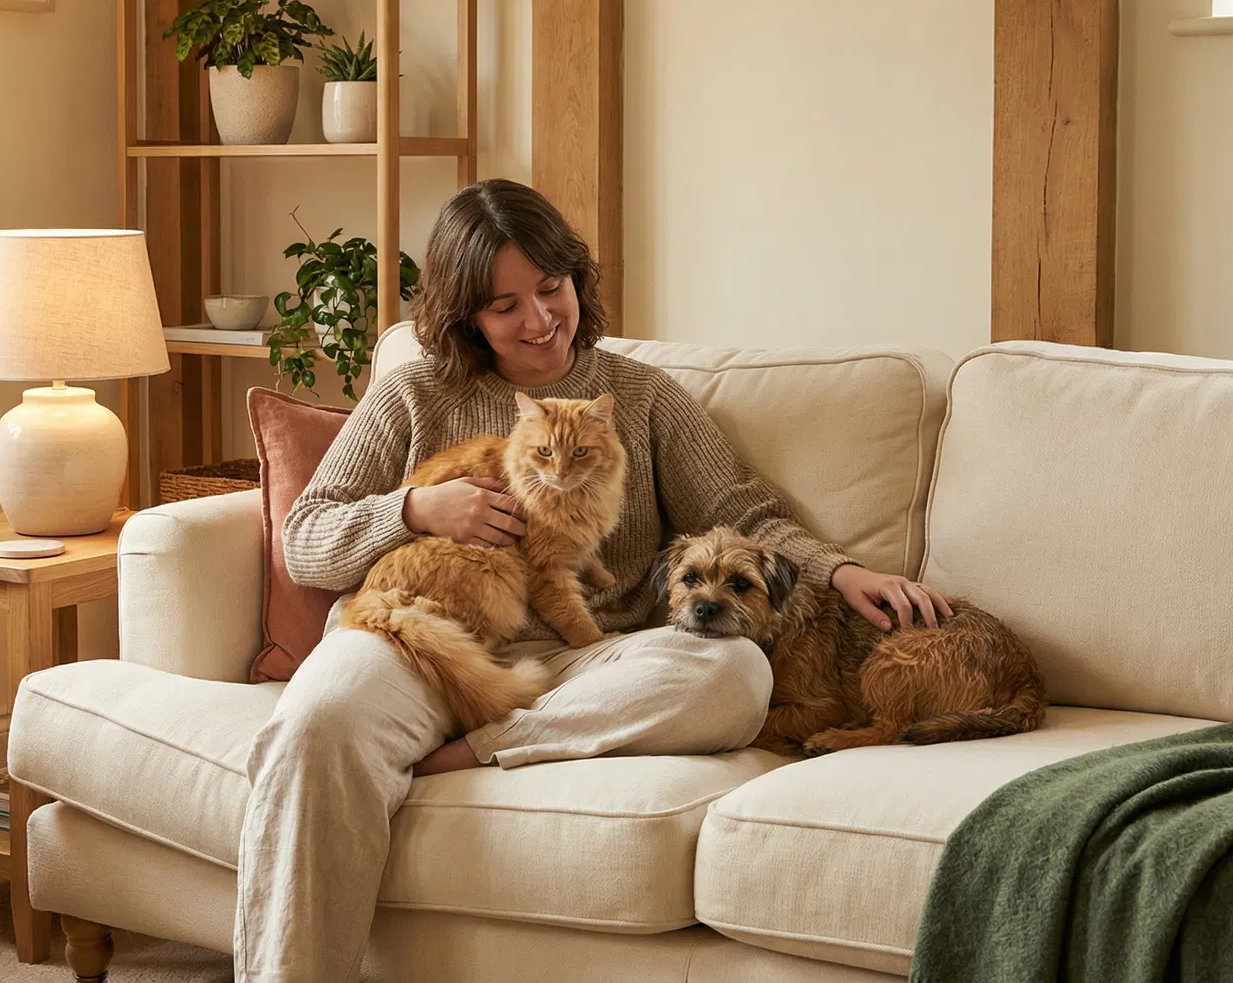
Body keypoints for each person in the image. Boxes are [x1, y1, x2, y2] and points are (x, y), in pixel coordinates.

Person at [235, 178, 952, 982]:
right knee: (315, 724)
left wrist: (841, 569)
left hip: (592, 657)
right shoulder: (413, 391)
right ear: (465, 314)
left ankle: (484, 745)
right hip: (418, 636)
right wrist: (414, 509)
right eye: (505, 305)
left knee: (735, 673)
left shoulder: (639, 399)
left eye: (552, 288)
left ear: (577, 279)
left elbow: (739, 511)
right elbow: (306, 539)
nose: (540, 319)